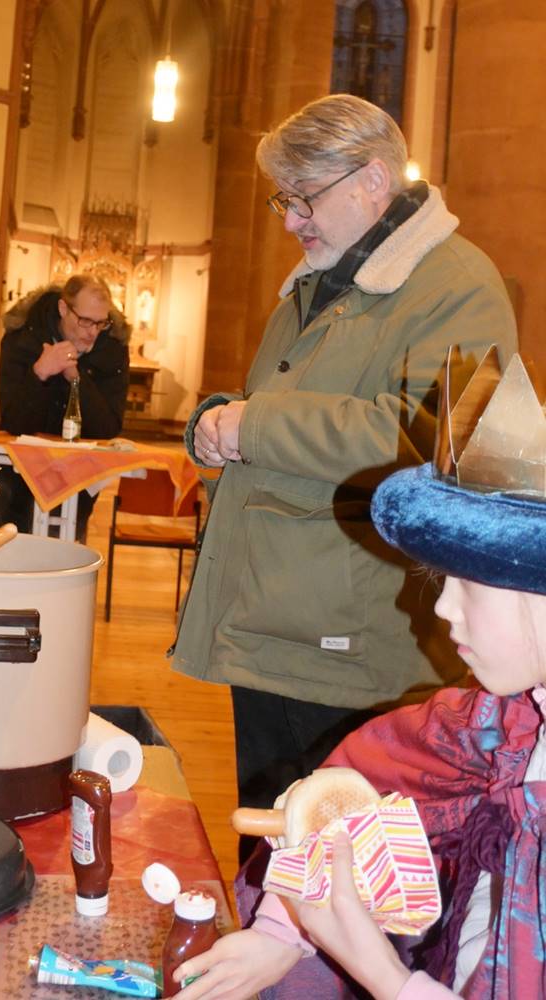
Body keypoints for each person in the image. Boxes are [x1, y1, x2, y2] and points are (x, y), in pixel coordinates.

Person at [171, 94, 517, 857]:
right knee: (268, 854)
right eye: (284, 200)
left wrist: (252, 425)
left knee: (332, 870)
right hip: (271, 618)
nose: (291, 220)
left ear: (373, 179)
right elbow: (281, 418)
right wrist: (222, 425)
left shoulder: (461, 285)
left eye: (304, 197)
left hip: (348, 640)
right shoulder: (319, 282)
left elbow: (436, 441)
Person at [169, 445, 546, 998]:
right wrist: (283, 929)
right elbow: (364, 787)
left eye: (470, 583)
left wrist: (385, 977)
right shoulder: (496, 725)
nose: (442, 608)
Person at [0, 274, 130, 541]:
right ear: (63, 308)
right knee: (11, 537)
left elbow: (108, 427)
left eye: (101, 323)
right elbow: (13, 421)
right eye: (85, 321)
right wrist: (40, 372)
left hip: (79, 479)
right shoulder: (22, 338)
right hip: (18, 478)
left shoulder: (112, 349)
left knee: (63, 544)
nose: (93, 332)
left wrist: (76, 379)